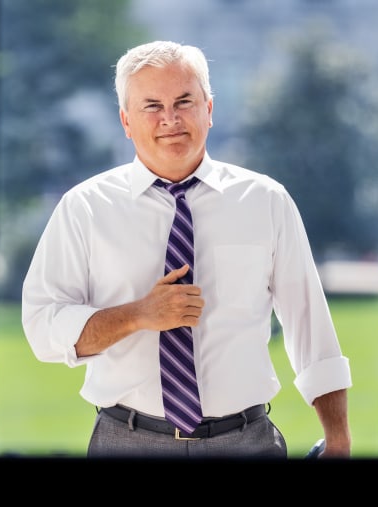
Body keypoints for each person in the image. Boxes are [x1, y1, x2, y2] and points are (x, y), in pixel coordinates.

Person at [22, 40, 352, 459]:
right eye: (151, 106)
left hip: (247, 442)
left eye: (184, 101)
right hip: (126, 441)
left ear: (209, 110)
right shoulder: (84, 208)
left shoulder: (266, 201)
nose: (170, 119)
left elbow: (311, 327)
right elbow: (43, 328)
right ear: (126, 120)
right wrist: (139, 315)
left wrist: (338, 441)